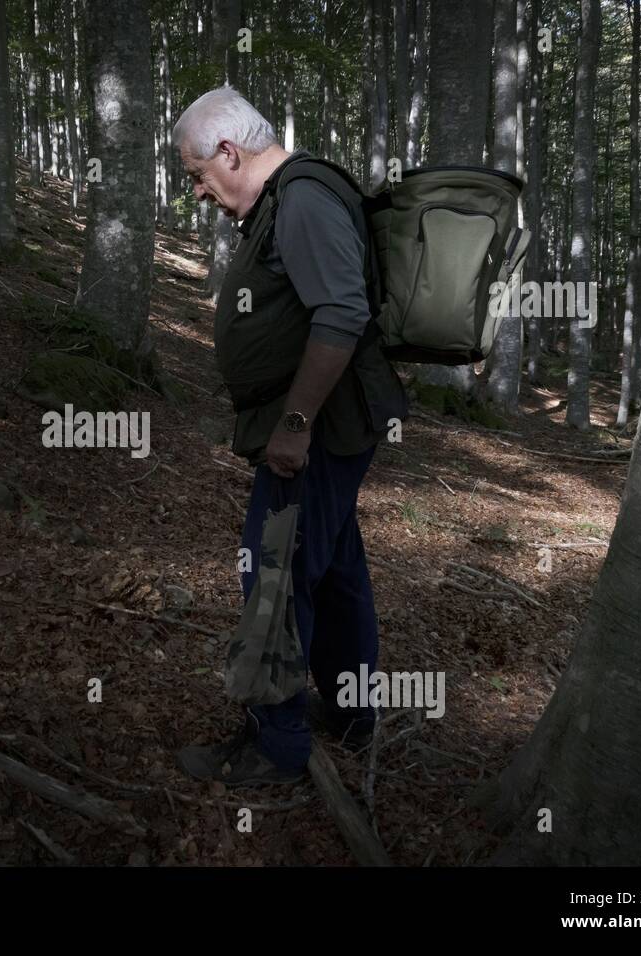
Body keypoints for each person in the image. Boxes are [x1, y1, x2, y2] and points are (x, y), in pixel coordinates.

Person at [173, 87, 409, 785]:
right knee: (332, 566)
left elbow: (341, 314)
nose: (198, 192)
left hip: (318, 430)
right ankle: (350, 709)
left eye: (196, 174)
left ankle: (275, 749)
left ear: (228, 151)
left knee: (273, 573)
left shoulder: (302, 198)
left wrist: (295, 425)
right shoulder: (293, 196)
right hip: (329, 428)